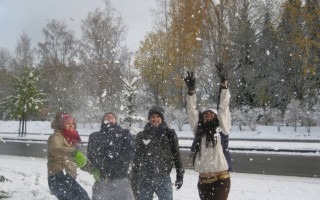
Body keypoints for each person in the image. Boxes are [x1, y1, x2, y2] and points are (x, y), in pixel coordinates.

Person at [184, 63, 232, 200]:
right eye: (205, 114)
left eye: (211, 114)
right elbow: (191, 111)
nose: (208, 115)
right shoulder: (199, 132)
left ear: (216, 117)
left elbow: (223, 107)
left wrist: (224, 85)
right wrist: (191, 91)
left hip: (220, 180)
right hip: (203, 181)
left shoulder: (222, 129)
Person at [131, 106, 184, 200]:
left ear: (162, 118)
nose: (155, 119)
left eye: (158, 116)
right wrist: (134, 176)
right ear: (149, 119)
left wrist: (180, 174)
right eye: (152, 117)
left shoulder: (169, 134)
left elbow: (176, 154)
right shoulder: (142, 135)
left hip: (163, 176)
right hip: (145, 177)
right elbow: (136, 157)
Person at [87, 112, 135, 200]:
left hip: (121, 179)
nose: (109, 117)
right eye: (106, 116)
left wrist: (118, 161)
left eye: (112, 116)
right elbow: (91, 155)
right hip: (102, 180)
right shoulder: (94, 136)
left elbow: (130, 152)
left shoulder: (125, 134)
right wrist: (103, 163)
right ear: (102, 121)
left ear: (116, 120)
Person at [47, 111, 90, 200]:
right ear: (61, 125)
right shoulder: (56, 137)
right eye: (67, 123)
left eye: (72, 123)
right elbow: (54, 149)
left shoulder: (73, 139)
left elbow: (79, 160)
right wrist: (73, 152)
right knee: (83, 197)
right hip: (57, 176)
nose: (71, 125)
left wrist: (92, 169)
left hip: (68, 178)